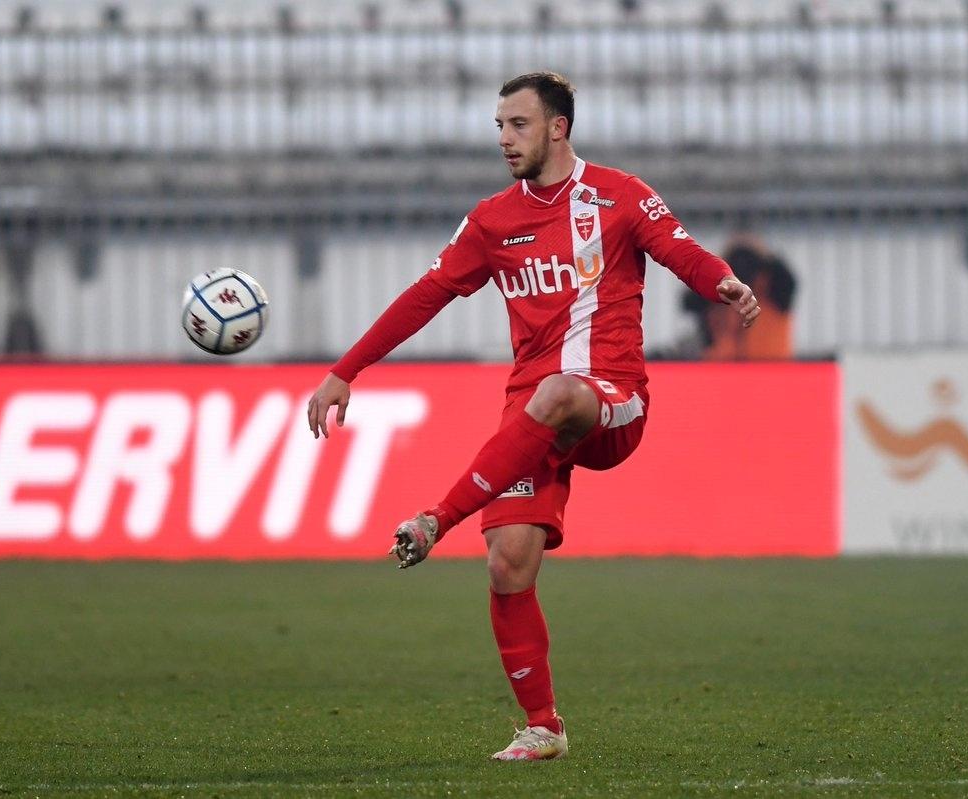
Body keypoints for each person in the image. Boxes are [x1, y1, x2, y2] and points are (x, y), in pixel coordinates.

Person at [306, 72, 759, 761]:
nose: (504, 139)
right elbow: (425, 294)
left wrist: (718, 279)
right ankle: (543, 725)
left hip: (610, 401)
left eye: (518, 125)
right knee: (507, 564)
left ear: (558, 128)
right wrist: (347, 368)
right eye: (499, 127)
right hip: (533, 413)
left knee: (555, 392)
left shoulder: (619, 195)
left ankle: (434, 519)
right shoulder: (492, 220)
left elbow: (680, 249)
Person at [682, 235, 796, 360]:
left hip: (769, 370)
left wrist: (757, 253)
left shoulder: (773, 289)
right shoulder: (717, 290)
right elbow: (689, 300)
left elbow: (785, 278)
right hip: (723, 372)